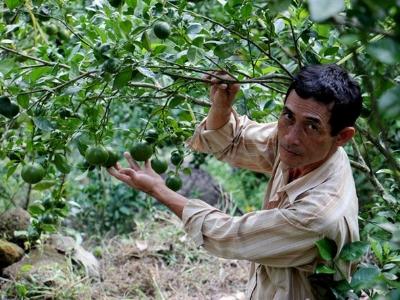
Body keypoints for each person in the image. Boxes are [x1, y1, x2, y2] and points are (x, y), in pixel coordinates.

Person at [108, 64, 363, 300]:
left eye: (311, 127)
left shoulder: (318, 215)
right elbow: (236, 140)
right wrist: (221, 107)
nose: (290, 137)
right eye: (288, 116)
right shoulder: (302, 149)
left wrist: (157, 189)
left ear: (342, 136)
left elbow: (229, 235)